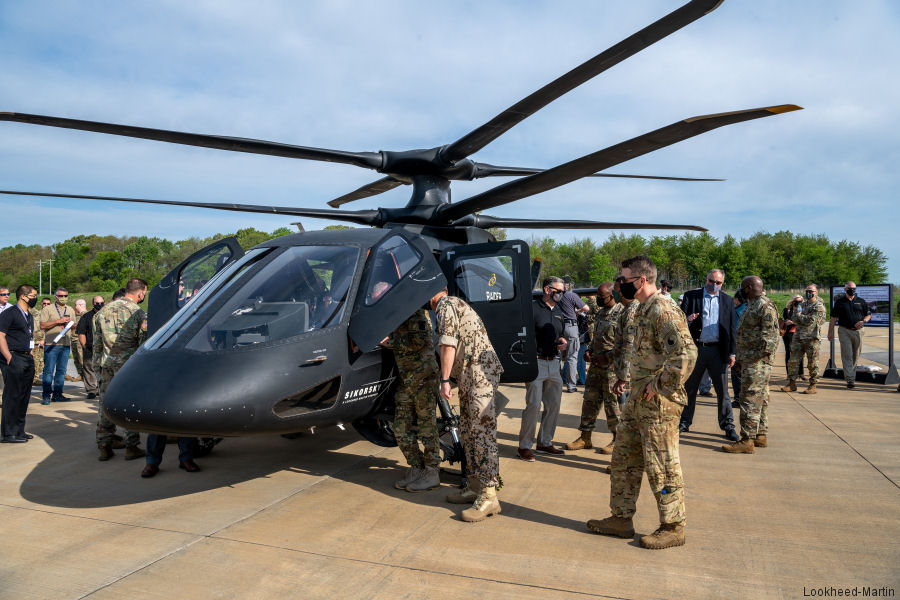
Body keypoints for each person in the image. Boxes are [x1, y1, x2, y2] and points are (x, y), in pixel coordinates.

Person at [587, 255, 696, 550]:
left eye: (624, 279)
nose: (620, 284)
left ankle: (673, 525)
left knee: (661, 466)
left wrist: (660, 385)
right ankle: (621, 518)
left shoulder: (663, 310)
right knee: (623, 460)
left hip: (659, 405)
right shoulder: (641, 310)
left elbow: (686, 355)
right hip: (637, 401)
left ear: (642, 280)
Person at [431, 288, 504, 523]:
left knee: (482, 434)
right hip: (469, 375)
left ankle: (489, 496)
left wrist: (444, 380)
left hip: (479, 375)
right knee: (469, 432)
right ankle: (474, 486)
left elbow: (448, 345)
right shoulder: (452, 303)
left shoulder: (445, 305)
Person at [382, 305, 441, 492]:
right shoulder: (393, 315)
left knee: (427, 427)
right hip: (406, 379)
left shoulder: (415, 313)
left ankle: (432, 472)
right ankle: (416, 467)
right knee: (400, 428)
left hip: (423, 378)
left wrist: (389, 342)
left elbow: (420, 341)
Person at [678, 269, 739, 441]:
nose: (714, 285)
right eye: (711, 281)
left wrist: (732, 353)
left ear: (722, 283)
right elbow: (678, 322)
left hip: (717, 352)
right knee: (689, 389)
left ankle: (728, 425)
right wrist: (687, 320)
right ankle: (684, 422)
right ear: (706, 279)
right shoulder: (691, 296)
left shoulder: (727, 300)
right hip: (696, 350)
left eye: (718, 283)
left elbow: (732, 329)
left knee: (723, 392)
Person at [723, 276, 779, 453]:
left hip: (757, 364)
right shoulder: (752, 304)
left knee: (749, 399)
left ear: (748, 288)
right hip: (751, 362)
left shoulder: (764, 306)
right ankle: (760, 435)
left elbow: (769, 341)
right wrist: (741, 360)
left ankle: (747, 440)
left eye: (742, 287)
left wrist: (749, 360)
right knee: (760, 399)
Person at [94, 279, 147, 462]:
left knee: (105, 404)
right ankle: (131, 446)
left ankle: (104, 445)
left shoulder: (103, 311)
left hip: (106, 365)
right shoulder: (138, 313)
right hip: (127, 366)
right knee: (129, 404)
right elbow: (143, 342)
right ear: (140, 293)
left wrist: (97, 368)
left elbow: (97, 344)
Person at [566, 282, 622, 454]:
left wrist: (608, 357)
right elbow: (596, 336)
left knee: (612, 405)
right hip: (596, 365)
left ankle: (617, 440)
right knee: (589, 402)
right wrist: (589, 351)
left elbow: (624, 344)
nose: (598, 299)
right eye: (597, 296)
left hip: (611, 367)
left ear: (612, 296)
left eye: (601, 296)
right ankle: (585, 437)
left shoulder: (621, 314)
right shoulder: (601, 313)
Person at [518, 277, 568, 462]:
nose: (561, 294)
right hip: (536, 363)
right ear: (548, 290)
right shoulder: (532, 308)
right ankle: (524, 446)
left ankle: (545, 442)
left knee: (553, 404)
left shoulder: (559, 310)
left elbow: (559, 333)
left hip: (554, 363)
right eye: (559, 291)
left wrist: (562, 341)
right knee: (533, 405)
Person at [0, 285, 39, 443]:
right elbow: (1, 336)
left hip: (26, 357)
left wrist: (30, 354)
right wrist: (8, 357)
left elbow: (29, 336)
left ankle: (19, 430)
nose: (36, 298)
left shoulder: (28, 315)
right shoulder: (9, 314)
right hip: (14, 357)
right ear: (23, 296)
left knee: (24, 396)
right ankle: (9, 433)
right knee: (12, 395)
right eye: (33, 295)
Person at [781, 284, 826, 394]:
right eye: (807, 291)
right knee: (793, 361)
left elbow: (811, 320)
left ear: (816, 293)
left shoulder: (819, 306)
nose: (808, 293)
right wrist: (801, 317)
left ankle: (813, 385)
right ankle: (791, 383)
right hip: (798, 336)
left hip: (812, 338)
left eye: (811, 291)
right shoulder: (802, 304)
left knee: (812, 363)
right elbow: (794, 318)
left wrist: (800, 316)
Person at [828, 282, 871, 389]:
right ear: (845, 289)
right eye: (849, 288)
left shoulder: (861, 301)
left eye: (853, 288)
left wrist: (864, 321)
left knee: (855, 355)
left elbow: (868, 314)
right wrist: (830, 332)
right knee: (847, 354)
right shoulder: (840, 302)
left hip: (858, 331)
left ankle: (851, 375)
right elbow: (833, 318)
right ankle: (850, 379)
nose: (852, 290)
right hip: (844, 330)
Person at [39, 287, 76, 405]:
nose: (64, 298)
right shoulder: (48, 309)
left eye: (66, 296)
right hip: (51, 344)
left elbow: (74, 325)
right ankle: (46, 395)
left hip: (65, 344)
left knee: (61, 371)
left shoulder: (70, 309)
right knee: (48, 371)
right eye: (61, 296)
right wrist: (58, 321)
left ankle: (58, 394)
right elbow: (42, 325)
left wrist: (71, 324)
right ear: (55, 297)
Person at [557, 278, 590, 393]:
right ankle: (571, 386)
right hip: (571, 326)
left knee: (557, 356)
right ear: (569, 285)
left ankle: (557, 383)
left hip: (558, 326)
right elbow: (587, 308)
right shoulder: (572, 295)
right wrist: (577, 312)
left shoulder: (555, 296)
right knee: (572, 357)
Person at [76, 296, 104, 400]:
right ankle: (92, 390)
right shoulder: (86, 316)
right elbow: (81, 332)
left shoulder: (107, 315)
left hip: (104, 348)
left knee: (103, 369)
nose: (99, 305)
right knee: (89, 369)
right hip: (90, 347)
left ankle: (101, 389)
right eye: (97, 303)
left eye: (101, 303)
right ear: (93, 304)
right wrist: (84, 346)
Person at [780, 295, 805, 380]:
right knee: (789, 353)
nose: (799, 303)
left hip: (799, 333)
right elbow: (787, 321)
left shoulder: (804, 310)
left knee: (800, 353)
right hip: (789, 334)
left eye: (801, 301)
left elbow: (803, 321)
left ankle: (800, 373)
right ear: (793, 301)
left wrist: (793, 321)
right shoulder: (787, 310)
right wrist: (795, 321)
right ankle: (789, 374)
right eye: (797, 301)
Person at [68, 298, 88, 382]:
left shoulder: (86, 315)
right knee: (76, 359)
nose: (75, 307)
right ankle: (81, 374)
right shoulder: (77, 316)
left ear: (80, 305)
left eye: (76, 305)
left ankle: (86, 375)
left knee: (82, 359)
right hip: (74, 339)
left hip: (80, 340)